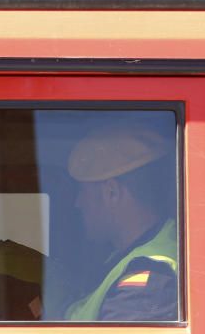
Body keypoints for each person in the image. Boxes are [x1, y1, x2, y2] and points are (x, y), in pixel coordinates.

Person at [64, 123, 177, 322]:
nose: (78, 203)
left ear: (111, 192)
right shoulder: (128, 255)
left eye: (83, 192)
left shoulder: (150, 279)